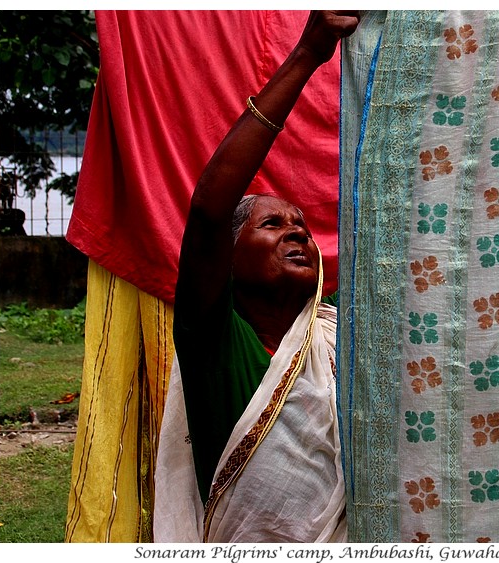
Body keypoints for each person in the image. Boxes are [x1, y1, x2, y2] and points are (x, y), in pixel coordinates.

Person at [153, 11, 359, 542]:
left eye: (304, 227)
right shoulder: (216, 344)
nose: (298, 234)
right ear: (229, 257)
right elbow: (208, 211)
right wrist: (307, 54)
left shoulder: (340, 339)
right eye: (273, 223)